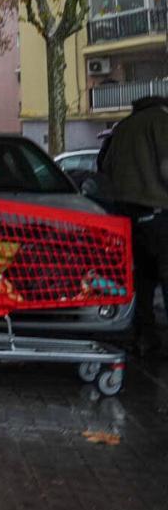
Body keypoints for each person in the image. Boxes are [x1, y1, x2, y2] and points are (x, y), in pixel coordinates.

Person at [98, 95, 168, 356]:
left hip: (125, 215)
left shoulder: (124, 127)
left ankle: (144, 336)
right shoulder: (161, 122)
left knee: (141, 279)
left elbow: (103, 166)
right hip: (159, 211)